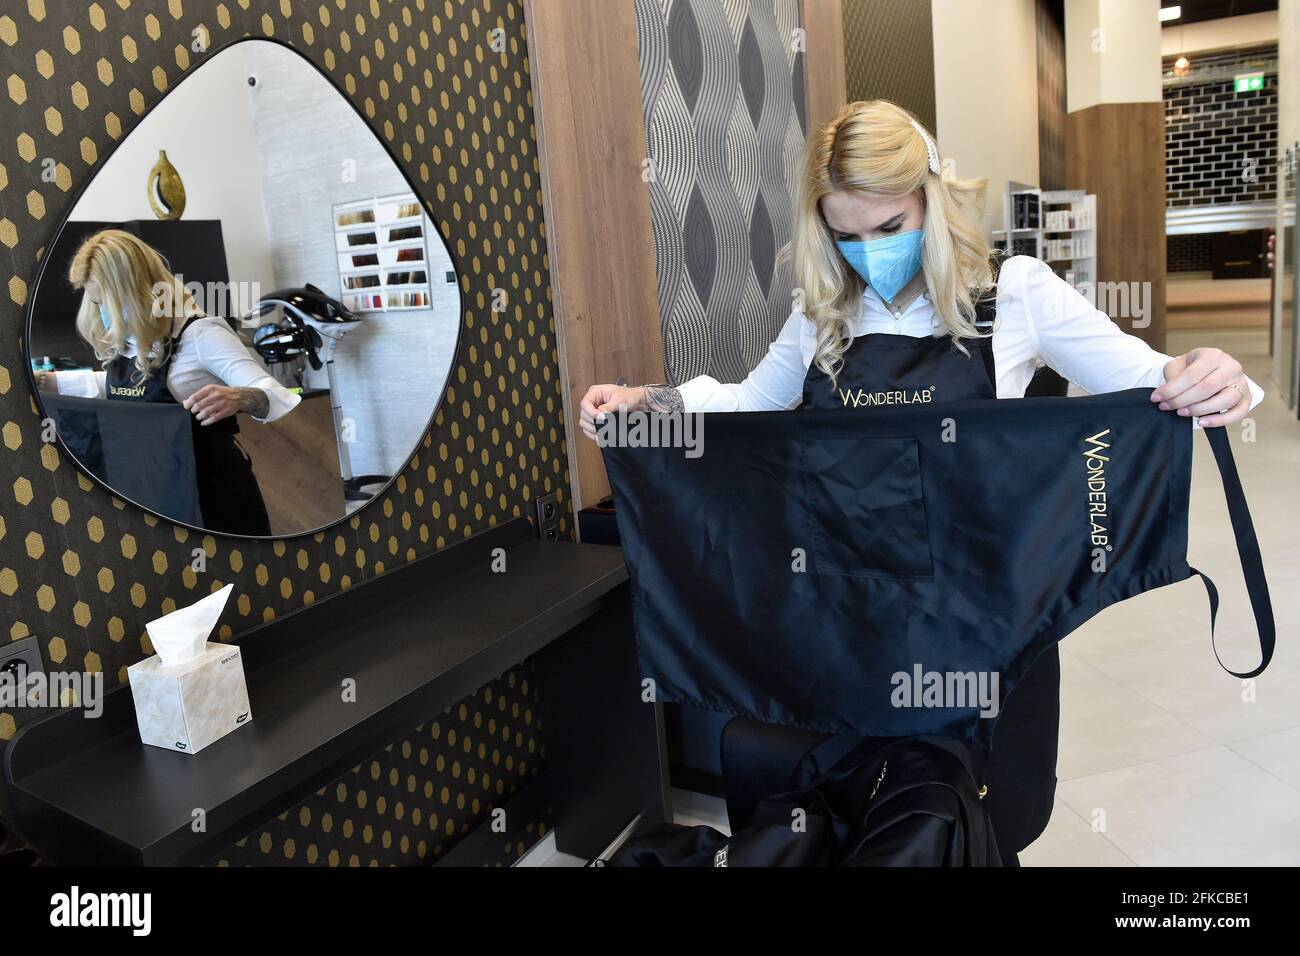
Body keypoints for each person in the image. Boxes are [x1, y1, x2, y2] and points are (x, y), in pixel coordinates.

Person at [578, 100, 1264, 863]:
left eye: (888, 228)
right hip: (856, 617)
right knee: (879, 818)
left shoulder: (1016, 293)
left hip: (988, 621)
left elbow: (1149, 382)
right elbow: (748, 405)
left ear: (933, 201)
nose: (867, 252)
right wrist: (652, 404)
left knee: (985, 817)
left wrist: (1209, 377)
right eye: (844, 234)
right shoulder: (823, 311)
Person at [35, 229, 300, 535]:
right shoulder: (132, 340)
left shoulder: (202, 334)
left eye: (107, 302)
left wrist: (242, 398)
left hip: (213, 497)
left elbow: (273, 393)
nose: (104, 313)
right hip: (158, 498)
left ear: (136, 289)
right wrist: (43, 381)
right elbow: (120, 388)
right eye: (96, 304)